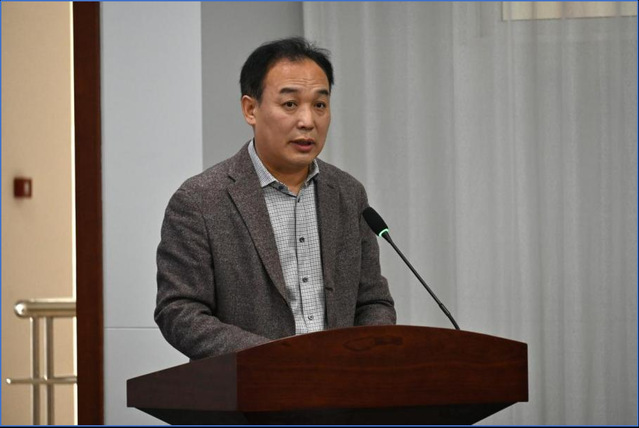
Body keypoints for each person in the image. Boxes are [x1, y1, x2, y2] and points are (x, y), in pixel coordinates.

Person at [155, 37, 396, 360]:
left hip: (342, 382)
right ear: (250, 109)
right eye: (290, 104)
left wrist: (362, 355)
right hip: (252, 382)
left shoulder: (348, 194)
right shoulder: (200, 201)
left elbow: (373, 302)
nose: (307, 121)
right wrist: (276, 359)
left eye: (319, 105)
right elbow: (179, 311)